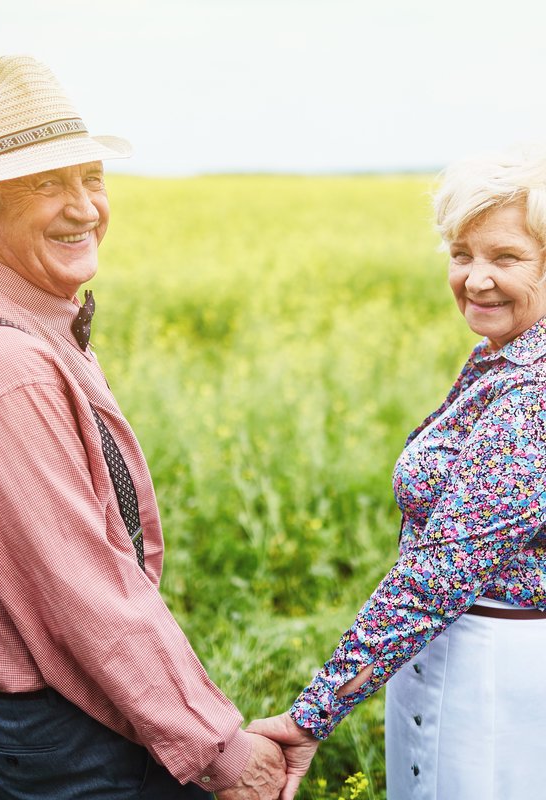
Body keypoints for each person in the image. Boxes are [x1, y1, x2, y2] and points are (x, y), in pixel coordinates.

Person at [0, 55, 286, 800]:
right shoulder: (1, 366)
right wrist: (220, 750)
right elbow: (80, 595)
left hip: (25, 707)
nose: (84, 209)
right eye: (46, 184)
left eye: (91, 177)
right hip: (57, 721)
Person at [249, 148, 546, 799]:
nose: (474, 279)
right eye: (461, 252)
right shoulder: (500, 358)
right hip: (459, 654)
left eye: (506, 257)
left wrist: (312, 715)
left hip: (489, 682)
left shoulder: (533, 389)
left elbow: (436, 574)